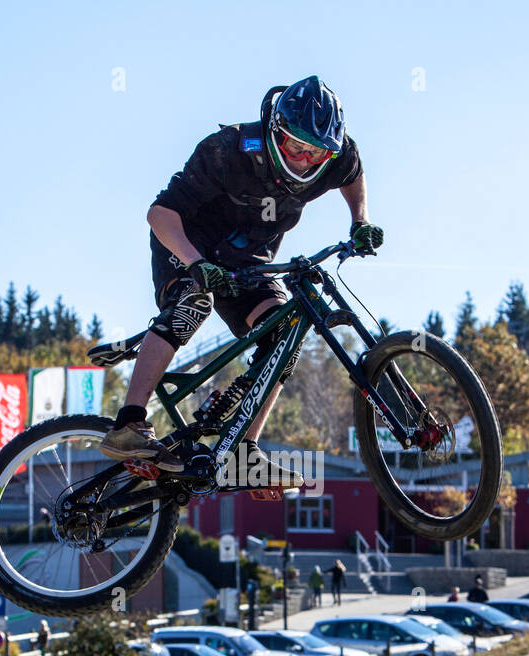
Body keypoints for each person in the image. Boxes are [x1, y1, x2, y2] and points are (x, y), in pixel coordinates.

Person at [97, 76, 380, 483]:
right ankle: (129, 423)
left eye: (315, 154)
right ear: (275, 132)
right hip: (188, 245)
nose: (303, 161)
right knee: (194, 303)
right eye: (295, 147)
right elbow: (160, 214)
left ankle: (243, 452)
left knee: (284, 334)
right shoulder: (228, 150)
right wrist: (195, 264)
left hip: (248, 262)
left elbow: (353, 172)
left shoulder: (336, 156)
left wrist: (361, 221)